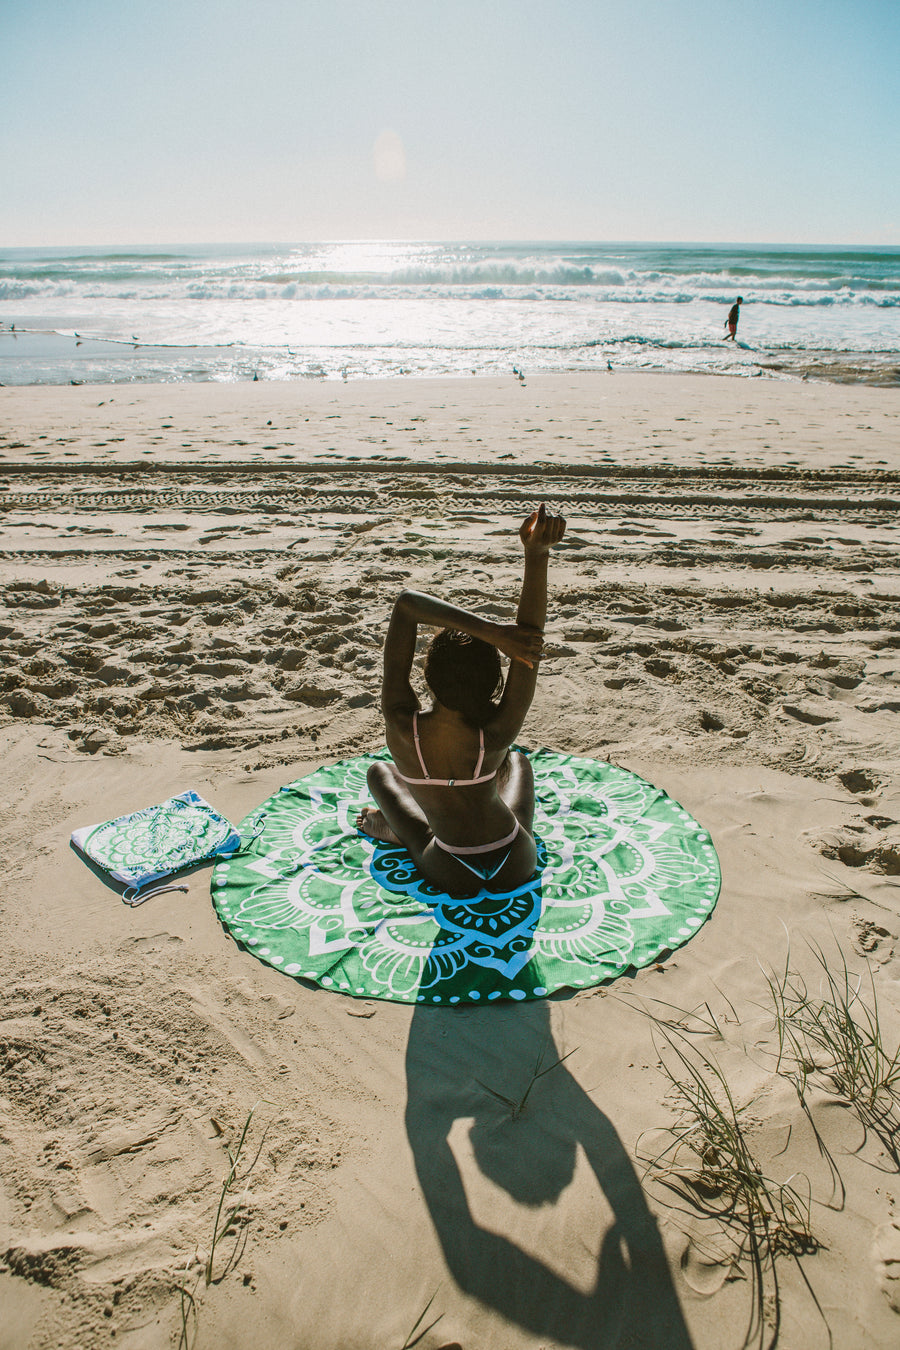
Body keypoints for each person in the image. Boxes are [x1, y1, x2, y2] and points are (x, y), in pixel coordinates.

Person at [356, 503, 566, 896]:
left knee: (379, 774)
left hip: (447, 868)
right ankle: (430, 821)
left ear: (429, 677)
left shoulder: (402, 725)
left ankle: (401, 832)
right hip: (516, 859)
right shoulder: (498, 732)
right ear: (493, 684)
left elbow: (406, 604)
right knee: (516, 762)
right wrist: (537, 554)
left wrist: (491, 632)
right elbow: (530, 636)